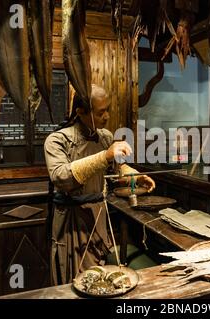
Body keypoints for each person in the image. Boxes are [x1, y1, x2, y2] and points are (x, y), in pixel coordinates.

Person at [44, 84, 155, 285]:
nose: (107, 116)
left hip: (98, 215)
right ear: (80, 112)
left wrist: (135, 177)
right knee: (74, 275)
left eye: (108, 109)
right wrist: (105, 156)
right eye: (101, 112)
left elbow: (116, 168)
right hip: (71, 219)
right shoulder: (57, 140)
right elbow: (60, 177)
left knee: (101, 274)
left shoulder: (105, 136)